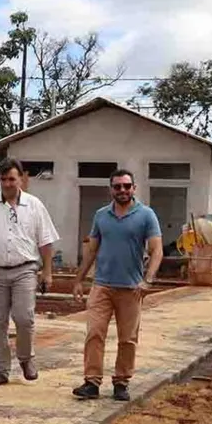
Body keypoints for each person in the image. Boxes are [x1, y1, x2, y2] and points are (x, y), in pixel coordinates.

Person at [0, 158, 60, 386]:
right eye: (3, 179)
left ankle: (26, 359)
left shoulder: (35, 205)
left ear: (21, 179)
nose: (7, 184)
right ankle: (1, 370)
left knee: (24, 318)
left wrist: (48, 272)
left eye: (12, 179)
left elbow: (46, 242)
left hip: (25, 270)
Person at [72, 169, 163, 402]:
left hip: (131, 288)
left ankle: (121, 383)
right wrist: (79, 280)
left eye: (126, 186)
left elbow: (156, 250)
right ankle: (91, 382)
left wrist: (148, 280)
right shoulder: (101, 216)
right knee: (94, 333)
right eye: (117, 186)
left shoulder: (146, 215)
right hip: (101, 286)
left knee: (127, 338)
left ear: (134, 188)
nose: (122, 190)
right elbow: (91, 249)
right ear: (110, 189)